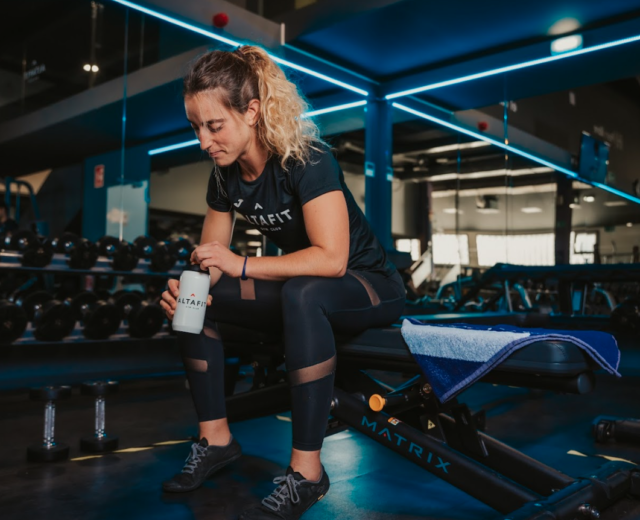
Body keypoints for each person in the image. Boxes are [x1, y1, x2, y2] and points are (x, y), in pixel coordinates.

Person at [159, 45, 405, 520]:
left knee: (304, 290)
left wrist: (242, 265)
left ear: (251, 112)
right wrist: (188, 293)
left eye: (215, 125)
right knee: (194, 296)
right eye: (196, 127)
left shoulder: (307, 158)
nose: (204, 140)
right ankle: (216, 440)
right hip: (310, 290)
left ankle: (308, 472)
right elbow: (212, 262)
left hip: (369, 285)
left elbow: (332, 260)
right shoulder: (224, 175)